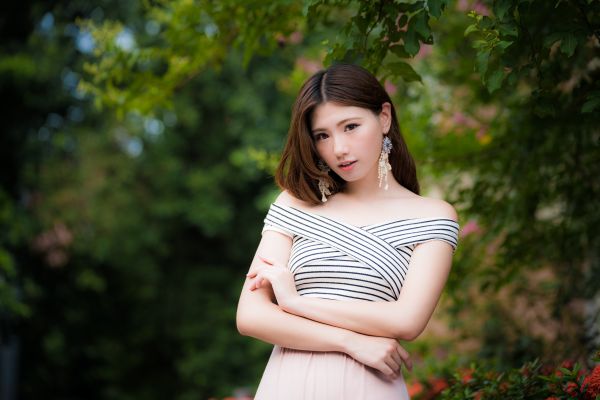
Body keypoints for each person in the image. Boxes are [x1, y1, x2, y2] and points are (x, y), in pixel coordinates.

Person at [236, 63, 460, 399]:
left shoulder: (432, 216)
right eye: (322, 135)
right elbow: (251, 315)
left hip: (369, 387)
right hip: (286, 385)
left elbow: (407, 321)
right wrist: (351, 342)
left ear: (384, 118)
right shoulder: (296, 204)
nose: (339, 148)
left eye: (351, 126)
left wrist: (295, 302)